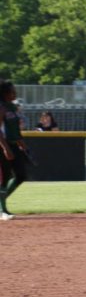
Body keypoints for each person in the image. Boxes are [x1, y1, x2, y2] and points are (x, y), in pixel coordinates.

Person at [0, 80, 29, 220]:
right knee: (4, 178)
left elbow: (14, 128)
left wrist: (21, 143)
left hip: (13, 144)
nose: (15, 93)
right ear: (4, 93)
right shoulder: (1, 107)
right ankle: (2, 210)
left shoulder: (12, 107)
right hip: (2, 145)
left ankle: (1, 203)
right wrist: (5, 148)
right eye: (12, 91)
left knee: (21, 175)